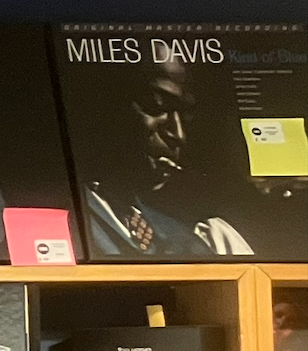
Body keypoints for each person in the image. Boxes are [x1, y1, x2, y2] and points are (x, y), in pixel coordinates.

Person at [80, 56, 254, 257]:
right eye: (157, 106)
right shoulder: (70, 218)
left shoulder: (182, 236)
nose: (178, 135)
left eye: (184, 116)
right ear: (105, 105)